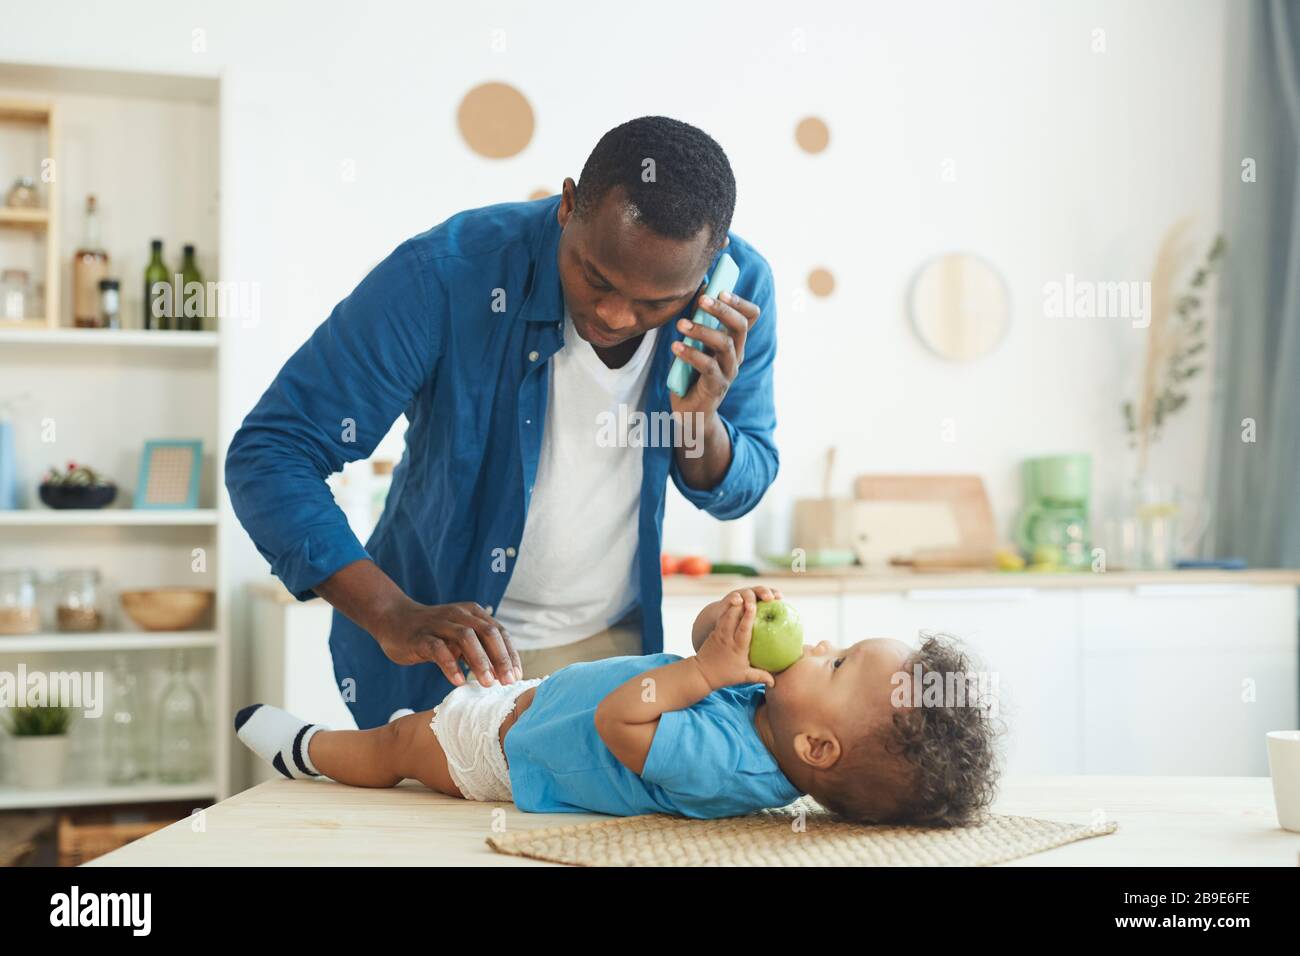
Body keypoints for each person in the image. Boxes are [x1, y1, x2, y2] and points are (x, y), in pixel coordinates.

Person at [225, 116, 780, 729]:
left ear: (712, 266)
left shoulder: (737, 294)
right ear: (568, 205)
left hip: (616, 654)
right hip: (447, 665)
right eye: (595, 277)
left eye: (656, 303)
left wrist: (698, 421)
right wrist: (391, 612)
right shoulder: (447, 273)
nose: (616, 315)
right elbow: (272, 452)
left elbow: (740, 491)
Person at [233, 585, 1002, 824]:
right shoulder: (774, 708)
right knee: (410, 728)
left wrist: (705, 669)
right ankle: (323, 744)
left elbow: (621, 719)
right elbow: (696, 647)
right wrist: (723, 631)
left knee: (400, 744)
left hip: (512, 754)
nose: (818, 644)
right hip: (537, 705)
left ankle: (309, 751)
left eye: (834, 663)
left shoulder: (732, 766)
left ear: (820, 751)